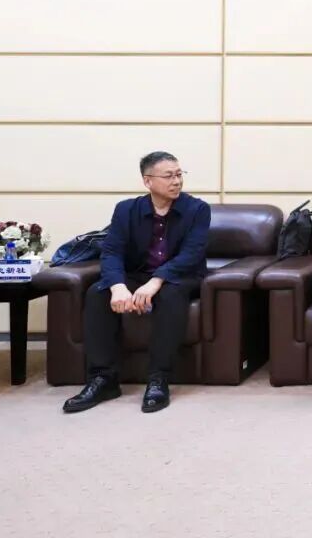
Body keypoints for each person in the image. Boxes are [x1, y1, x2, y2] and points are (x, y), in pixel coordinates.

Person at [63, 151, 209, 414]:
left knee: (170, 296)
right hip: (137, 273)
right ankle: (103, 379)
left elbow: (192, 254)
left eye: (179, 174)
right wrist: (117, 286)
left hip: (180, 275)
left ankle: (158, 379)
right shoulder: (126, 210)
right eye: (168, 176)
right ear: (147, 181)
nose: (176, 181)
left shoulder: (197, 209)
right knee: (97, 293)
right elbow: (111, 252)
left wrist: (156, 281)